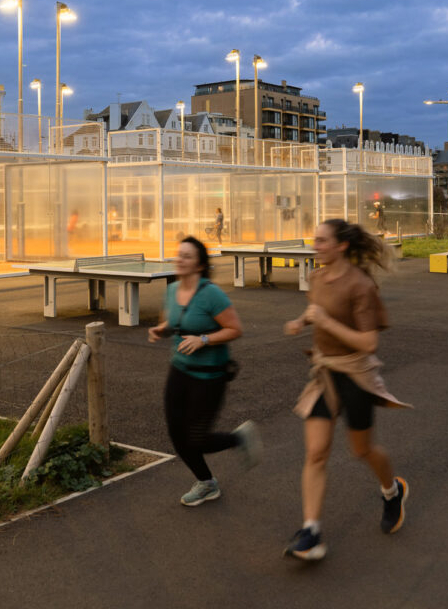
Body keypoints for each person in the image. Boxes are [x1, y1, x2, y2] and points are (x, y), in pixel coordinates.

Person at [282, 219, 410, 561]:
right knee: (316, 453)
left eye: (322, 241)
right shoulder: (316, 277)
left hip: (355, 374)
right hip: (325, 373)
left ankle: (392, 490)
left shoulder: (361, 285)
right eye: (314, 240)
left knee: (362, 450)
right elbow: (317, 310)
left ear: (341, 246)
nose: (315, 246)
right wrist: (303, 321)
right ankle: (311, 531)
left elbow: (368, 343)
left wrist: (324, 322)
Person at [149, 236, 261, 506]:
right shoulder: (172, 290)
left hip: (210, 376)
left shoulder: (211, 294)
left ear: (199, 265)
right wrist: (161, 330)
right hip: (179, 370)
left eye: (187, 256)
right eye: (179, 254)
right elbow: (176, 322)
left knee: (196, 437)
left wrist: (204, 339)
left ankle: (238, 438)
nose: (180, 259)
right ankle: (206, 483)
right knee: (177, 434)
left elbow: (235, 329)